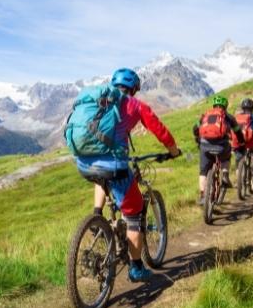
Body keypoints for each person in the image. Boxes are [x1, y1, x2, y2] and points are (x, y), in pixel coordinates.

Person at [74, 68, 181, 282]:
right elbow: (160, 130)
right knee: (136, 212)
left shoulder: (100, 101)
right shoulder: (135, 105)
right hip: (114, 165)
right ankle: (136, 267)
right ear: (134, 88)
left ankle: (97, 217)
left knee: (101, 178)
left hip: (84, 163)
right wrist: (173, 151)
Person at [192, 95, 245, 205]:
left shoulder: (205, 115)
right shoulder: (228, 117)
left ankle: (203, 195)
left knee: (203, 172)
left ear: (214, 105)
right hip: (221, 146)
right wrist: (242, 142)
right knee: (227, 156)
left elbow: (195, 128)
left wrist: (199, 140)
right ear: (225, 106)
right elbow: (238, 132)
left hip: (205, 146)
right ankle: (225, 175)